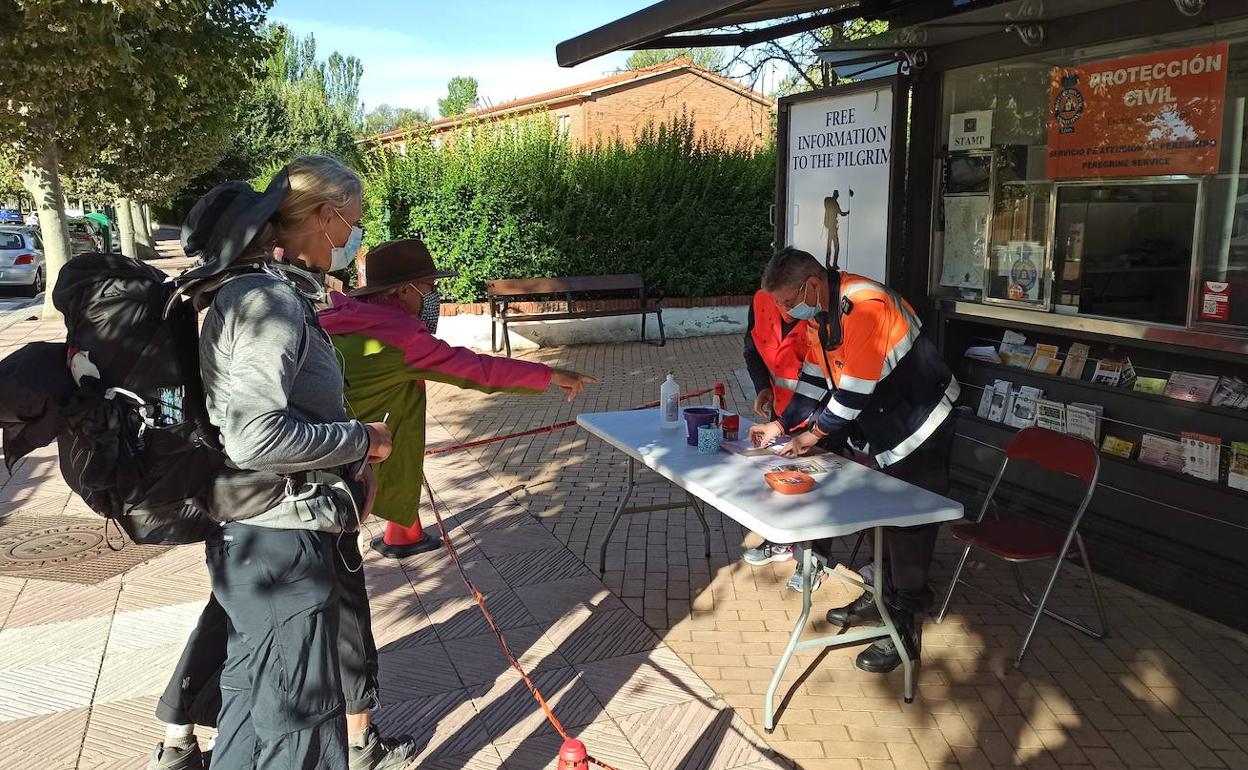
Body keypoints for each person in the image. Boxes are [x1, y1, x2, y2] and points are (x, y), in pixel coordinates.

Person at [148, 157, 402, 770]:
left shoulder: (251, 294)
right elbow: (256, 436)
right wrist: (361, 440)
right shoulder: (269, 302)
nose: (354, 237)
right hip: (281, 548)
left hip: (257, 540)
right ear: (324, 215)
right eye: (354, 222)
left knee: (253, 706)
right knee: (298, 725)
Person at [749, 246, 959, 674]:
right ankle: (881, 595)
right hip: (887, 426)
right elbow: (813, 377)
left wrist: (811, 436)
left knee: (910, 526)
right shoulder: (821, 312)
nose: (789, 313)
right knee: (883, 516)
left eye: (790, 302)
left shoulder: (865, 307)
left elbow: (851, 395)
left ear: (811, 284)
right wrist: (784, 426)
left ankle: (904, 627)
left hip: (922, 422)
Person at [318, 238, 598, 543]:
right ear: (403, 290)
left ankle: (402, 535)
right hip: (346, 464)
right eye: (428, 287)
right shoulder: (401, 338)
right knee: (340, 555)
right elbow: (478, 370)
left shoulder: (342, 318)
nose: (433, 296)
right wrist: (551, 373)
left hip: (324, 436)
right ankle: (398, 536)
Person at [739, 287, 823, 573]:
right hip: (782, 410)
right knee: (779, 474)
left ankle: (812, 562)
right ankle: (779, 540)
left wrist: (816, 430)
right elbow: (753, 350)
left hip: (819, 412)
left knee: (818, 485)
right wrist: (763, 387)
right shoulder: (761, 300)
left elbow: (826, 376)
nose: (783, 307)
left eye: (788, 301)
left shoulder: (820, 310)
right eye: (778, 301)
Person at [823, 190, 850, 266]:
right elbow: (840, 213)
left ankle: (830, 264)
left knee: (832, 245)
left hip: (832, 226)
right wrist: (846, 213)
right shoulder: (831, 201)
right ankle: (831, 264)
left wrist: (846, 213)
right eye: (837, 195)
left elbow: (840, 213)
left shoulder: (831, 202)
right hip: (832, 226)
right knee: (835, 246)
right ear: (835, 195)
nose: (838, 196)